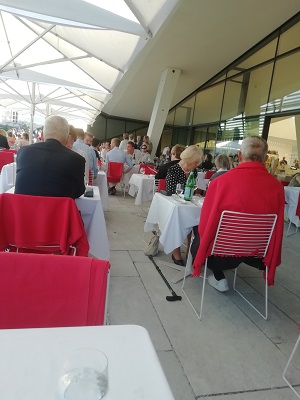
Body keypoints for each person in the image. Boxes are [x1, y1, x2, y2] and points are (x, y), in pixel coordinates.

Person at [193, 136, 285, 292]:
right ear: (265, 158)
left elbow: (206, 226)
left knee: (197, 228)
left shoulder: (220, 183)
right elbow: (278, 229)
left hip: (220, 255)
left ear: (240, 156)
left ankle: (216, 275)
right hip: (257, 255)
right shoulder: (277, 187)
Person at [15, 115, 85, 199]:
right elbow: (78, 192)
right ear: (67, 138)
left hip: (24, 211)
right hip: (58, 212)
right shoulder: (77, 160)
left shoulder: (23, 152)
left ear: (42, 134)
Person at [166, 145, 203, 265]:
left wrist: (196, 192)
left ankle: (190, 250)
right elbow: (171, 191)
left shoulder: (194, 171)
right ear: (189, 159)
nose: (197, 165)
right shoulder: (174, 169)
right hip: (174, 204)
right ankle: (175, 251)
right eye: (195, 162)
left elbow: (193, 188)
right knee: (177, 219)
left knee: (195, 220)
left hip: (188, 204)